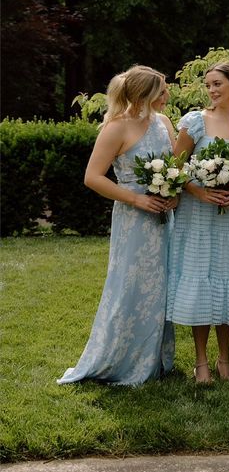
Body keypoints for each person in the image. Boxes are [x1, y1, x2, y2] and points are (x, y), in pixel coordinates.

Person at [57, 66, 176, 386]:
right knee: (129, 285)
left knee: (161, 287)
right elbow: (92, 177)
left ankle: (156, 360)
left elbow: (176, 168)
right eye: (162, 90)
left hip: (165, 218)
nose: (167, 96)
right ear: (143, 95)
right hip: (134, 221)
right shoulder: (115, 127)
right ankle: (120, 358)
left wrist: (173, 194)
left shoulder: (163, 123)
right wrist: (137, 200)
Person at [167, 61, 229, 384]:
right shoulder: (195, 122)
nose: (212, 90)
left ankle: (224, 359)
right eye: (209, 84)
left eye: (218, 84)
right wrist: (199, 192)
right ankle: (201, 361)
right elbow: (175, 168)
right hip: (198, 214)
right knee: (201, 280)